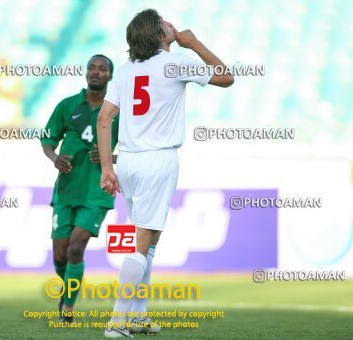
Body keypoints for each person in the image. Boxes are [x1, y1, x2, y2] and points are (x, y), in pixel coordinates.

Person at [97, 9, 234, 338]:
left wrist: (106, 167)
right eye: (164, 23)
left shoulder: (127, 71)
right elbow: (226, 77)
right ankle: (117, 322)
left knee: (150, 239)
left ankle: (138, 316)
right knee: (142, 243)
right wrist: (193, 43)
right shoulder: (174, 64)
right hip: (158, 161)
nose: (170, 24)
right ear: (158, 35)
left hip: (127, 161)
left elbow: (104, 120)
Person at [41, 54, 118, 323]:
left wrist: (111, 158)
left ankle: (68, 309)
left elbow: (136, 148)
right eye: (91, 68)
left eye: (102, 69)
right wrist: (54, 158)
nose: (95, 72)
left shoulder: (117, 110)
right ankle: (67, 293)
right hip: (66, 190)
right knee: (60, 254)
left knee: (76, 247)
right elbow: (48, 138)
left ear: (110, 75)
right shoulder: (67, 105)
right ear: (86, 73)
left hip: (98, 191)